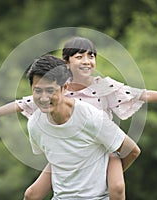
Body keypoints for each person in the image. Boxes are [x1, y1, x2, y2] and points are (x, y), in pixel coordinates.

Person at [0, 37, 157, 199]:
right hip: (69, 151)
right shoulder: (53, 90)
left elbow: (143, 94)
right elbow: (21, 104)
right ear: (65, 63)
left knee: (116, 190)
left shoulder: (104, 86)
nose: (87, 60)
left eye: (91, 56)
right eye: (79, 56)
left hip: (103, 149)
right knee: (32, 194)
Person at [27, 55, 140, 199]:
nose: (43, 98)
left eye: (50, 91)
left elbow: (132, 151)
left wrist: (107, 176)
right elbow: (57, 161)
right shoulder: (35, 125)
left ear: (65, 88)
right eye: (38, 91)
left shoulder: (90, 117)